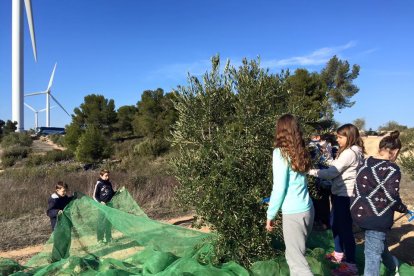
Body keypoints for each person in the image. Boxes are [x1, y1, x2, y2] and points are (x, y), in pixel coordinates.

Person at [351, 131, 412, 276]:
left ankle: (392, 267)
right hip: (377, 218)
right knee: (372, 256)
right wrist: (403, 208)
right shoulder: (391, 168)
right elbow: (391, 196)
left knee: (378, 244)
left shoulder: (365, 162)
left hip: (358, 214)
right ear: (395, 151)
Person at [308, 123, 364, 276]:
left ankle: (350, 265)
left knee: (345, 228)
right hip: (340, 192)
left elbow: (332, 172)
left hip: (346, 194)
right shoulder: (349, 150)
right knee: (335, 223)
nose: (337, 140)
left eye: (340, 137)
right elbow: (336, 165)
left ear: (349, 136)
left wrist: (310, 171)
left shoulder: (350, 152)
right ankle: (339, 254)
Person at [266, 114, 314, 276]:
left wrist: (270, 214)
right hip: (307, 209)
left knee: (298, 264)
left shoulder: (280, 153)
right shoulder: (301, 151)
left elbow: (279, 188)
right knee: (294, 256)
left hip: (294, 214)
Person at [93, 169, 115, 244]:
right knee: (101, 222)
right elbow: (94, 196)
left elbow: (112, 193)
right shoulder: (99, 184)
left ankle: (108, 238)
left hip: (109, 206)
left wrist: (119, 192)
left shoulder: (109, 183)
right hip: (102, 206)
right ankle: (100, 239)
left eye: (108, 175)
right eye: (105, 175)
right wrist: (101, 202)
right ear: (101, 176)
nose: (107, 177)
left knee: (109, 222)